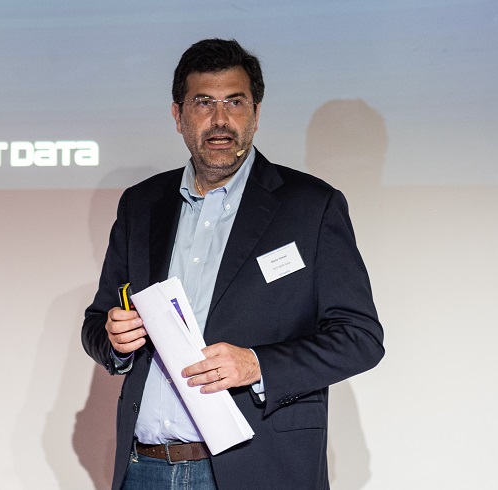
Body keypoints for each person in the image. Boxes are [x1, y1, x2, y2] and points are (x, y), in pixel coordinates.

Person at [82, 38, 384, 490]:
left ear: (256, 114)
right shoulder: (141, 204)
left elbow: (360, 339)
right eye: (204, 103)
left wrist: (257, 364)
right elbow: (97, 322)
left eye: (235, 102)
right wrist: (115, 340)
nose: (220, 119)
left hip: (258, 469)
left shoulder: (311, 206)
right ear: (178, 115)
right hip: (144, 468)